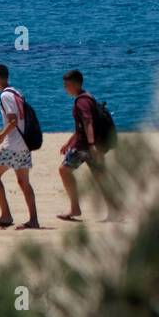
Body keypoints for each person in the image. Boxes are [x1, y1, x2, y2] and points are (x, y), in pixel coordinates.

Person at [0, 63, 39, 229]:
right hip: (24, 143)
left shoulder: (4, 96)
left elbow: (13, 121)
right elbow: (16, 122)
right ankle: (34, 220)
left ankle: (6, 216)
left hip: (13, 145)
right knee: (24, 182)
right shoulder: (16, 92)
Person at [57, 69, 108, 221]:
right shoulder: (88, 97)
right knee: (100, 177)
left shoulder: (81, 101)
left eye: (66, 85)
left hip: (84, 147)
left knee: (64, 170)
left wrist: (91, 144)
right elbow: (82, 125)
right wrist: (69, 142)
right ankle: (115, 209)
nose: (65, 88)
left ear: (74, 84)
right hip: (91, 144)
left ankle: (74, 208)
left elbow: (88, 122)